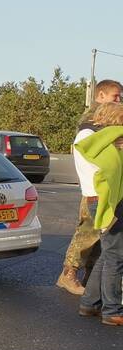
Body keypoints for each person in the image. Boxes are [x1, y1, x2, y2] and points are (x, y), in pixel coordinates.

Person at [58, 79, 123, 294]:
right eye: (116, 96)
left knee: (100, 239)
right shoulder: (92, 122)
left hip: (104, 189)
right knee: (88, 232)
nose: (119, 100)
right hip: (97, 190)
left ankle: (93, 283)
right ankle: (69, 274)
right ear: (101, 95)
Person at [74, 103, 123, 325]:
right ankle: (112, 311)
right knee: (116, 255)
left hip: (99, 199)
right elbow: (109, 171)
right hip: (106, 200)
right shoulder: (98, 141)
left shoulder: (97, 140)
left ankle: (90, 303)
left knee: (108, 252)